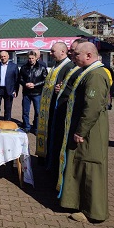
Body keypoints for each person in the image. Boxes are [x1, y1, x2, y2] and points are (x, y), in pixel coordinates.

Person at [57, 42, 110, 223]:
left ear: (88, 55)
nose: (74, 56)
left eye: (77, 54)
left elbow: (92, 107)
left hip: (90, 132)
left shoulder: (95, 75)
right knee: (81, 165)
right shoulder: (88, 72)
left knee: (91, 168)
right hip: (86, 130)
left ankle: (92, 211)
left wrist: (81, 130)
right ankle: (79, 204)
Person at [36, 42, 74, 175]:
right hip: (49, 108)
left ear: (63, 52)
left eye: (53, 51)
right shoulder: (56, 65)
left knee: (56, 138)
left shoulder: (68, 66)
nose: (51, 54)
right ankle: (47, 160)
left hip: (58, 109)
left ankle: (52, 164)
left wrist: (62, 89)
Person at [18, 50, 48, 133]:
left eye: (32, 58)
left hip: (37, 93)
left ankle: (36, 127)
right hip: (26, 93)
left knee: (38, 112)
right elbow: (20, 79)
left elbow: (45, 80)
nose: (31, 60)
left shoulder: (42, 68)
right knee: (25, 111)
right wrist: (25, 84)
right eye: (29, 58)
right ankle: (26, 126)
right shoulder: (23, 68)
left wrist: (35, 84)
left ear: (36, 58)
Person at [0, 51, 19, 125]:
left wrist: (15, 90)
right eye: (1, 56)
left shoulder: (14, 66)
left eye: (4, 56)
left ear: (8, 56)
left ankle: (7, 123)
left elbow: (17, 80)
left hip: (9, 90)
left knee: (8, 108)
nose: (3, 58)